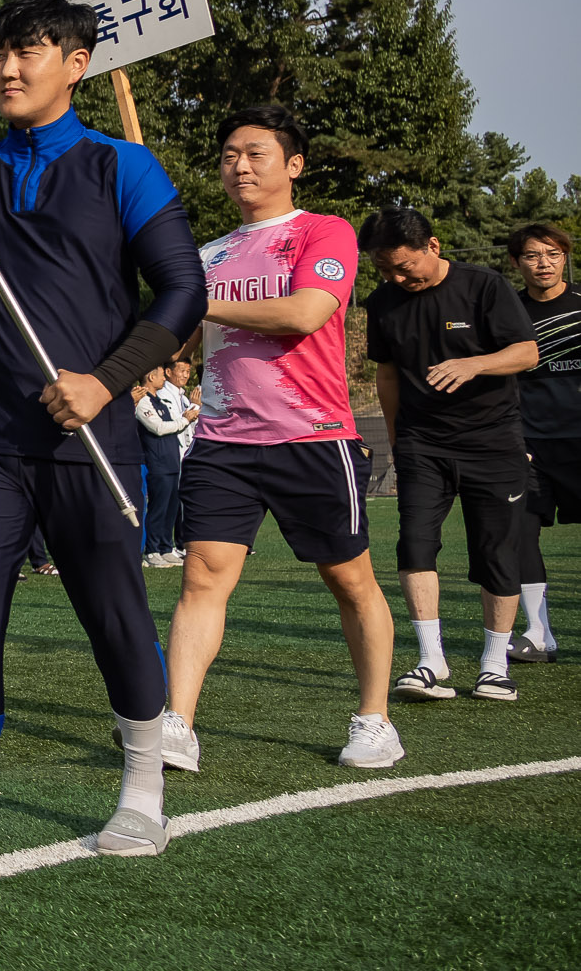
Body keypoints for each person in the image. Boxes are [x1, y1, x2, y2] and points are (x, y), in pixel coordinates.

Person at [0, 0, 207, 898]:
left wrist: (107, 378)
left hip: (87, 440)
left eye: (29, 52)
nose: (8, 69)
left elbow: (182, 293)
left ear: (77, 64)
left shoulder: (122, 168)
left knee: (114, 617)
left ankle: (143, 791)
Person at [162, 105, 401, 773]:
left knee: (349, 578)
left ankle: (375, 717)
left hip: (313, 437)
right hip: (222, 440)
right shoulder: (204, 254)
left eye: (256, 152)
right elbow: (169, 336)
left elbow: (304, 313)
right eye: (230, 153)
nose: (240, 164)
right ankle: (177, 722)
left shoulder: (324, 232)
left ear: (293, 164)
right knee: (201, 578)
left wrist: (196, 299)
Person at [363, 206, 540, 703]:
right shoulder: (382, 303)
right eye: (385, 270)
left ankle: (492, 664)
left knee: (496, 553)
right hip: (423, 444)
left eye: (404, 267)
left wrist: (474, 364)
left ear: (433, 247)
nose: (398, 278)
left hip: (494, 443)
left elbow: (527, 352)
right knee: (415, 544)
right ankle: (429, 660)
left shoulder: (485, 286)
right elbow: (388, 374)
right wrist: (398, 442)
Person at [508, 222, 576, 662]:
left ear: (565, 257)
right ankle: (538, 633)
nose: (543, 263)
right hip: (530, 445)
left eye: (552, 254)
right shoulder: (507, 311)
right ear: (516, 263)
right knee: (520, 533)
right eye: (533, 256)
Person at [133, 368, 193, 568]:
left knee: (171, 508)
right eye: (160, 374)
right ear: (150, 376)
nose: (163, 378)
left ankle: (166, 548)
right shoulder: (143, 401)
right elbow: (158, 427)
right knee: (158, 508)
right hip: (157, 462)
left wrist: (184, 419)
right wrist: (185, 419)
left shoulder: (160, 401)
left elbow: (172, 426)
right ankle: (152, 551)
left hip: (171, 461)